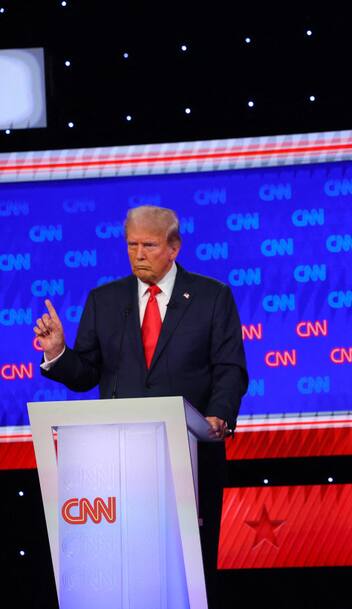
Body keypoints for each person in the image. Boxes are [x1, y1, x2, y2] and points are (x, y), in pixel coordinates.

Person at [34, 205, 248, 608]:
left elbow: (229, 368)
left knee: (191, 569)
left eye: (148, 245)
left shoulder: (212, 297)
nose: (138, 254)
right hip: (119, 463)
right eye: (131, 245)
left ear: (174, 248)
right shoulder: (104, 300)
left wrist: (218, 415)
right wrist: (58, 352)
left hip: (191, 456)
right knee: (125, 569)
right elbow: (86, 374)